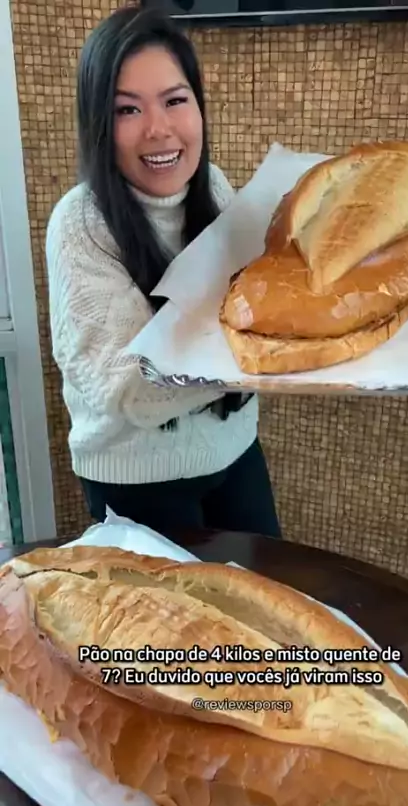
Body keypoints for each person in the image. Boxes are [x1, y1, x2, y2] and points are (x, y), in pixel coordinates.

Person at [45, 5, 281, 538]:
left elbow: (252, 300)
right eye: (127, 110)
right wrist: (272, 360)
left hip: (235, 450)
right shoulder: (78, 225)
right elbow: (129, 388)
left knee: (266, 585)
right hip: (136, 478)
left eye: (175, 100)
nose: (158, 129)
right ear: (98, 124)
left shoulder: (213, 186)